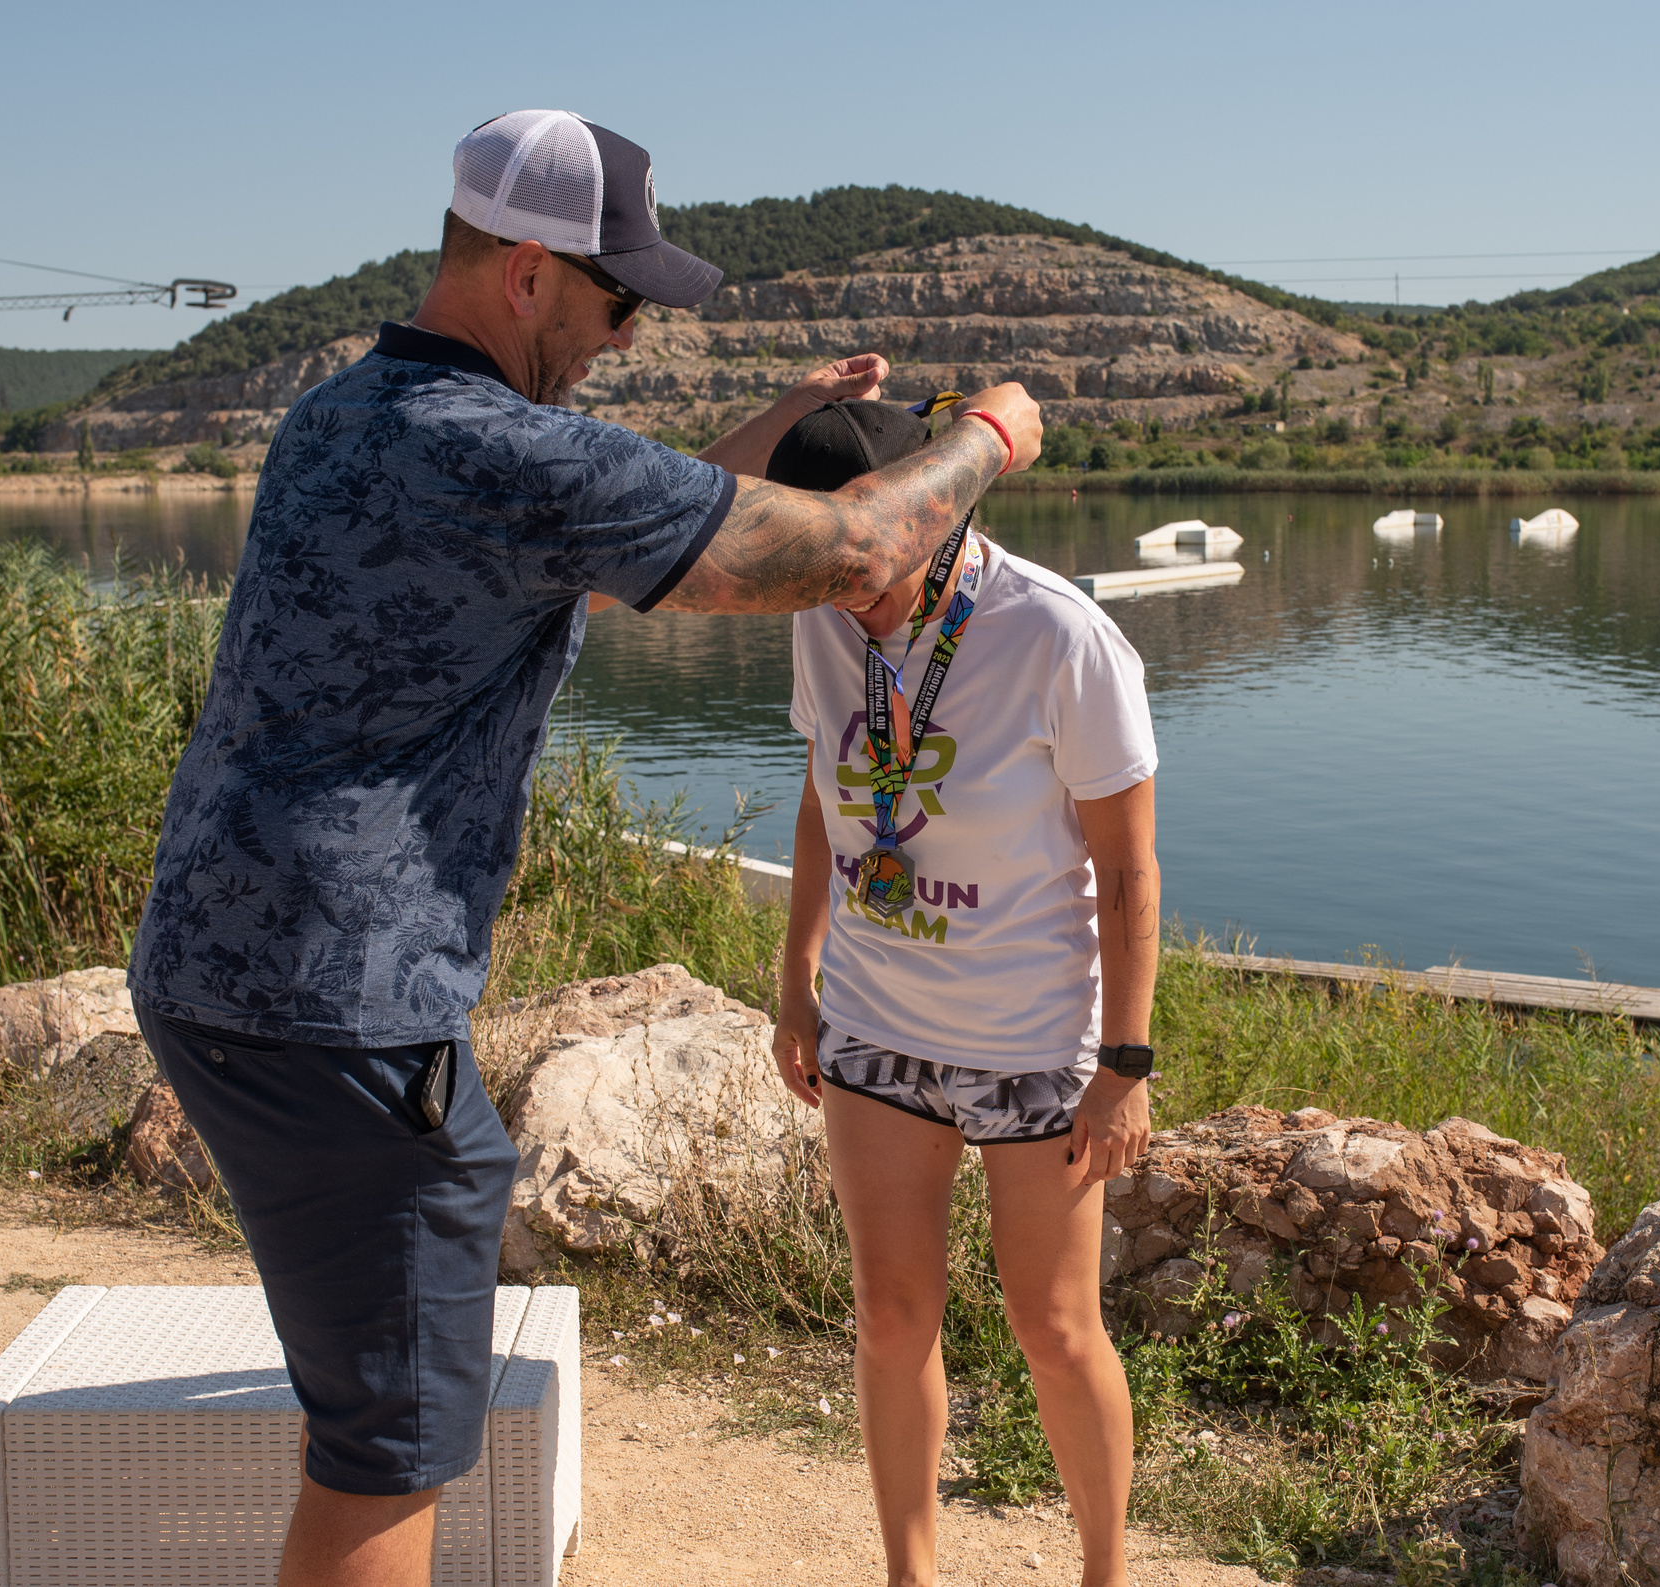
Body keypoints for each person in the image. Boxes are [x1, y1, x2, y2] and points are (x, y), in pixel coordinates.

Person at [126, 109, 1042, 1587]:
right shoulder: (503, 454)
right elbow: (863, 550)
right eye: (618, 299)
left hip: (212, 964)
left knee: (386, 1372)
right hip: (345, 1003)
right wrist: (988, 433)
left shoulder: (342, 416)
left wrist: (781, 411)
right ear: (531, 275)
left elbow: (612, 547)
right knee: (391, 1439)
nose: (626, 332)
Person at [765, 398, 1160, 1587]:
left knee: (1053, 1327)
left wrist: (1124, 1063)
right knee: (890, 1318)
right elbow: (824, 793)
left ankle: (1103, 1572)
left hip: (1035, 1041)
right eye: (822, 566)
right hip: (879, 1028)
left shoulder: (1060, 636)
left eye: (864, 565)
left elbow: (1129, 867)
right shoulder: (823, 616)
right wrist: (796, 975)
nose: (849, 594)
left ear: (934, 514)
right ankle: (909, 1575)